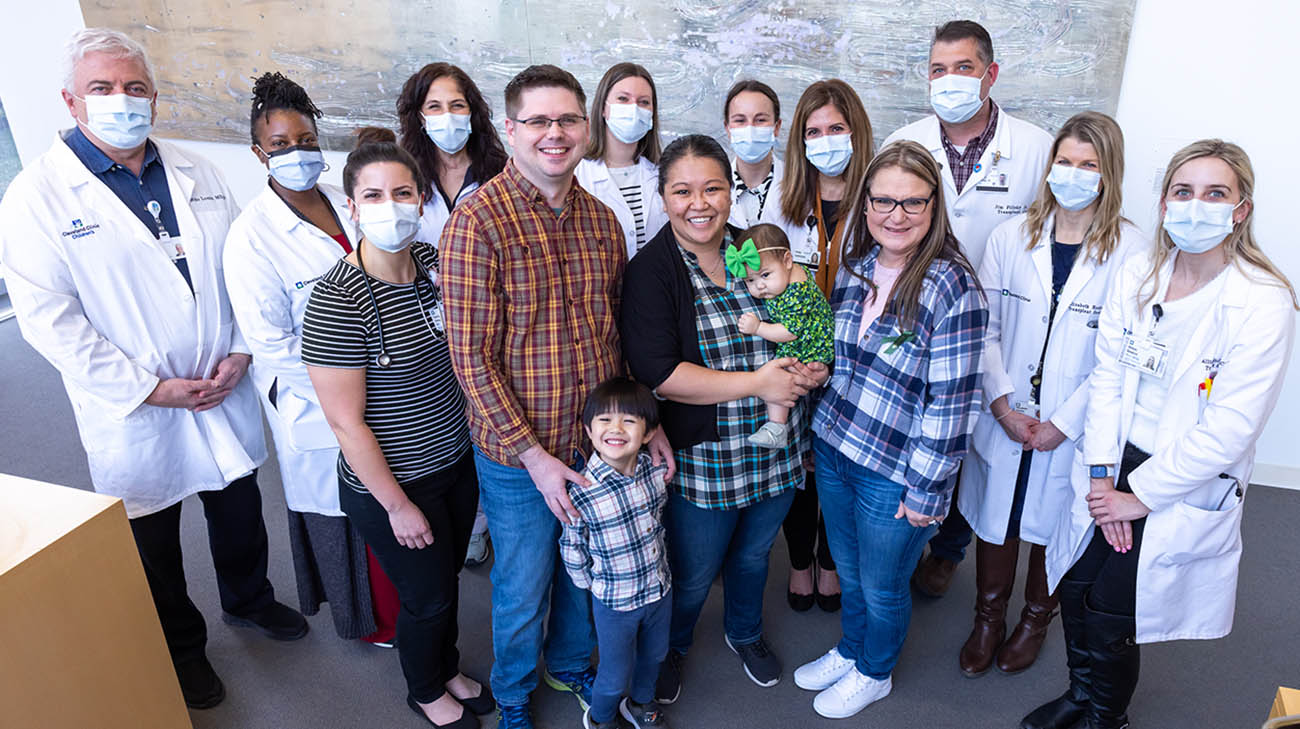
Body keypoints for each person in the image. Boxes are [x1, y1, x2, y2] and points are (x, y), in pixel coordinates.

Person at [0, 28, 308, 710]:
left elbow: (238, 271)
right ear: (70, 101)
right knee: (154, 534)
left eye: (135, 88)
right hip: (134, 403)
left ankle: (250, 598)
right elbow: (51, 318)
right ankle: (181, 646)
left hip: (219, 378)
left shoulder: (198, 172)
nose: (122, 101)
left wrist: (240, 350)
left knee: (238, 504)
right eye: (103, 89)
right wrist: (148, 388)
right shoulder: (36, 197)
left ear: (155, 99)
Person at [1026, 139, 1296, 729]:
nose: (1195, 206)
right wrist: (1103, 479)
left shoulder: (1263, 302)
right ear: (1165, 201)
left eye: (1214, 194)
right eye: (1183, 191)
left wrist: (1137, 496)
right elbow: (1108, 380)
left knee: (1112, 608)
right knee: (1072, 585)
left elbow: (1231, 428)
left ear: (1241, 209)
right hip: (1110, 457)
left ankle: (1105, 716)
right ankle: (1080, 694)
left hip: (1177, 476)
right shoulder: (1139, 274)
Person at [440, 64, 674, 729]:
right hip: (519, 455)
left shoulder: (602, 224)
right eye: (538, 121)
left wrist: (644, 421)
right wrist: (536, 458)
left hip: (599, 442)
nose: (555, 133)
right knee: (522, 585)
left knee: (589, 573)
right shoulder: (477, 222)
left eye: (568, 119)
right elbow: (472, 362)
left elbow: (617, 338)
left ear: (586, 127)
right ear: (511, 130)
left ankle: (567, 664)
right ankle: (513, 696)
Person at [620, 134, 828, 703]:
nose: (700, 203)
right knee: (690, 572)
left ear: (731, 190)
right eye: (682, 190)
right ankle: (672, 648)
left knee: (755, 555)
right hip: (705, 458)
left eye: (713, 187)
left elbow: (806, 315)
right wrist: (759, 382)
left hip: (776, 444)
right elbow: (662, 375)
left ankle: (745, 633)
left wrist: (813, 366)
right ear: (663, 197)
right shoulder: (652, 272)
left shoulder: (757, 250)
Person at [301, 128, 493, 729]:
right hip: (394, 485)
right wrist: (397, 506)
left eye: (404, 193)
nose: (392, 207)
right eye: (375, 196)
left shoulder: (433, 265)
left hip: (453, 463)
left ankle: (448, 667)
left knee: (448, 585)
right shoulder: (337, 298)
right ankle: (424, 688)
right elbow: (345, 422)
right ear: (352, 208)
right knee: (426, 596)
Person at [795, 140, 986, 719]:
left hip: (896, 472)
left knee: (881, 585)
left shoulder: (952, 288)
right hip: (836, 450)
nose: (895, 215)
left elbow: (953, 403)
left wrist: (927, 490)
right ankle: (852, 650)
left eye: (912, 203)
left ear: (934, 208)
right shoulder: (855, 269)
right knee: (849, 572)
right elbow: (836, 362)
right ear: (867, 203)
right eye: (882, 201)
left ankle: (874, 671)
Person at [956, 112, 1146, 679]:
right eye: (1065, 162)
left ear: (1109, 175)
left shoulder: (1132, 252)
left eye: (1088, 165)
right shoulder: (1013, 236)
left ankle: (1036, 618)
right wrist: (1002, 406)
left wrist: (1062, 424)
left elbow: (1120, 359)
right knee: (1000, 516)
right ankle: (988, 617)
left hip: (1075, 423)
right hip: (1006, 411)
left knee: (1055, 517)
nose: (1073, 174)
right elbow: (981, 327)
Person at [223, 71, 403, 647]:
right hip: (318, 398)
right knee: (347, 514)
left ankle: (402, 611)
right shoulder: (251, 238)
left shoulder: (350, 204)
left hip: (385, 379)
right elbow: (272, 343)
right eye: (280, 146)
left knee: (392, 505)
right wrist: (350, 391)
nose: (296, 154)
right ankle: (369, 624)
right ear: (258, 153)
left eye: (305, 142)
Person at [884, 19, 1053, 598]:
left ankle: (950, 549)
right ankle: (908, 546)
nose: (948, 80)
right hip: (918, 315)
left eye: (962, 68)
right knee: (921, 437)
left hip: (1000, 323)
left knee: (978, 447)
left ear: (990, 74)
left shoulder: (1035, 149)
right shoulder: (904, 142)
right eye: (938, 69)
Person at [397, 61, 509, 567]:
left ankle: (484, 522)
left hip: (489, 319)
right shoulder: (404, 175)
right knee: (443, 422)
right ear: (418, 116)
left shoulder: (499, 170)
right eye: (435, 107)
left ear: (474, 111)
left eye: (457, 106)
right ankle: (457, 518)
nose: (448, 117)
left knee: (489, 419)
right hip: (425, 324)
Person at [772, 78, 875, 613]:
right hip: (794, 355)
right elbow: (755, 274)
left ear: (857, 132)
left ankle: (832, 562)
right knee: (799, 466)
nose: (826, 139)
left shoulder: (879, 196)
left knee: (839, 466)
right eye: (814, 131)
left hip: (858, 360)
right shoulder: (783, 197)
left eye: (836, 128)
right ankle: (798, 562)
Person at [559, 378, 673, 729]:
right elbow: (572, 545)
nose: (616, 429)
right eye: (604, 421)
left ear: (649, 431)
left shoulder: (653, 472)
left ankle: (639, 704)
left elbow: (657, 521)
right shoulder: (581, 491)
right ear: (589, 431)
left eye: (629, 420)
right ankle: (601, 718)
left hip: (659, 590)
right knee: (613, 673)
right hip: (615, 602)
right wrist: (591, 585)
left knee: (655, 655)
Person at [729, 223, 835, 449]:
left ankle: (777, 426)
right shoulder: (790, 276)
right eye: (750, 281)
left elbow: (790, 332)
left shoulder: (796, 293)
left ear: (787, 261)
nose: (760, 286)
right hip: (811, 341)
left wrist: (758, 327)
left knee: (780, 376)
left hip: (808, 346)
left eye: (765, 275)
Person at [574, 62, 668, 257]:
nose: (634, 109)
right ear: (603, 108)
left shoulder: (664, 174)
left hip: (655, 285)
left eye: (643, 102)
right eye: (623, 99)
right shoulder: (577, 175)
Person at [724, 80, 785, 231]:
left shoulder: (798, 184)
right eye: (740, 120)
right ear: (728, 128)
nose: (750, 129)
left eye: (760, 120)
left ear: (776, 127)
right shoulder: (714, 187)